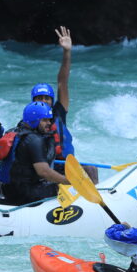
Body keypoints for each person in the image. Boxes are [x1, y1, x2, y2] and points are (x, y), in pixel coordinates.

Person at [31, 26, 97, 183]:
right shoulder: (29, 120)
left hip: (65, 165)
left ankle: (97, 203)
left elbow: (62, 82)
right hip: (47, 167)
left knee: (91, 170)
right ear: (33, 101)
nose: (43, 101)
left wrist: (67, 52)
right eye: (39, 98)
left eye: (46, 98)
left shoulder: (58, 112)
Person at [0, 101, 69, 205]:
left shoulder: (15, 132)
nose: (49, 123)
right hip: (25, 193)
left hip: (7, 189)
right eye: (44, 120)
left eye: (49, 120)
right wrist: (67, 181)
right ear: (34, 120)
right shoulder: (34, 140)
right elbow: (44, 172)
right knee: (62, 188)